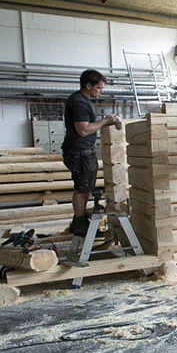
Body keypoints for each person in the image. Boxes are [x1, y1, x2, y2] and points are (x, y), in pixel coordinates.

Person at [62, 69, 121, 236]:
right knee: (82, 189)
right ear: (88, 86)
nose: (101, 91)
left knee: (85, 187)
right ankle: (80, 225)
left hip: (81, 151)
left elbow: (88, 125)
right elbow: (83, 130)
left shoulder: (82, 100)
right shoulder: (80, 102)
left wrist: (107, 122)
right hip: (79, 152)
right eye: (99, 88)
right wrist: (106, 121)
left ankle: (77, 222)